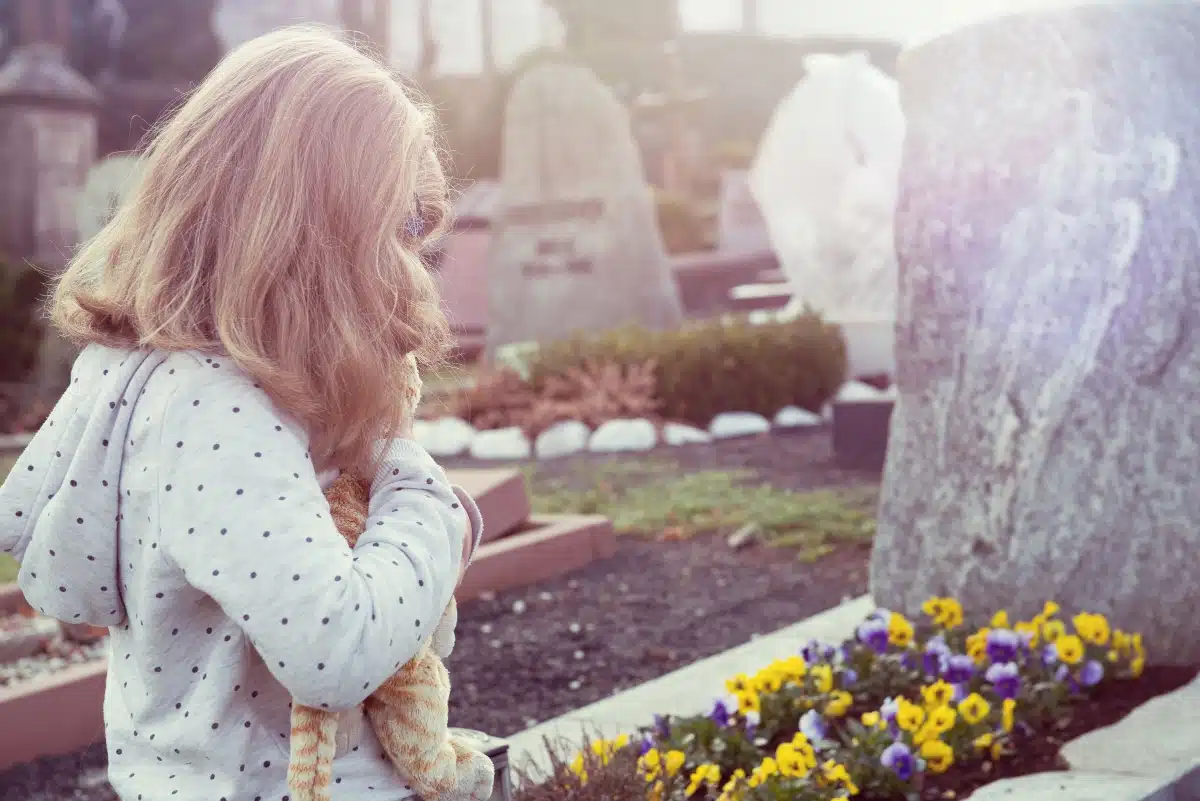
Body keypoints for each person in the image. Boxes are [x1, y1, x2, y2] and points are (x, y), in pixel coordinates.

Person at [0, 26, 479, 801]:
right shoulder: (220, 411)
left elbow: (28, 518)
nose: (413, 261)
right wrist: (426, 500)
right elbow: (335, 651)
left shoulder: (128, 372)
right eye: (404, 225)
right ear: (322, 232)